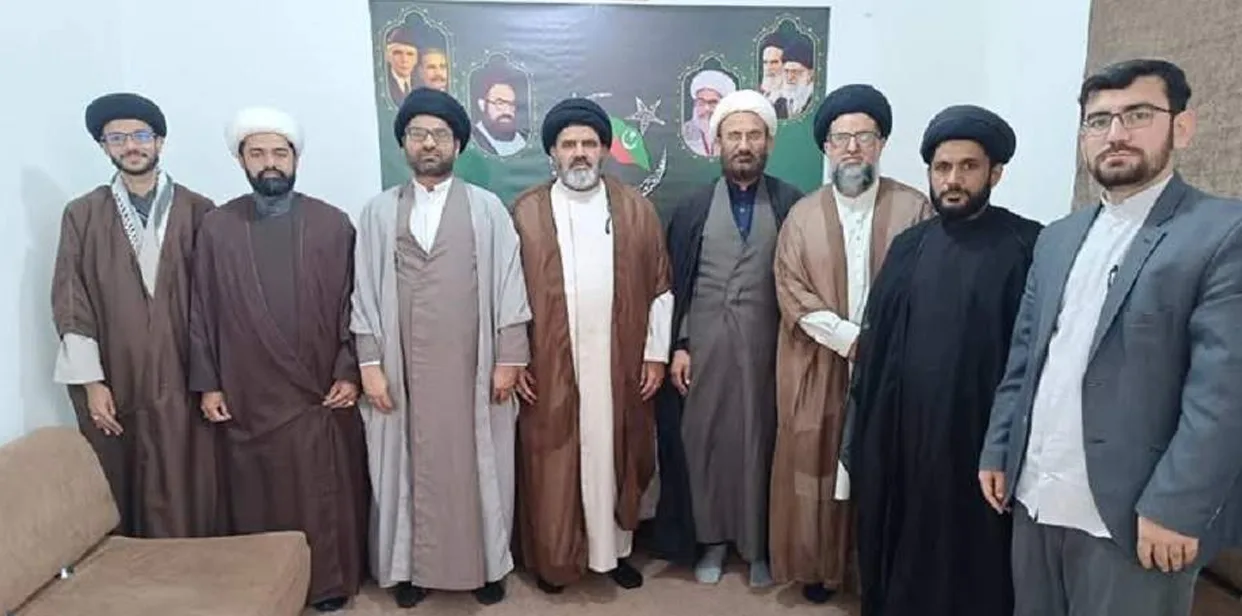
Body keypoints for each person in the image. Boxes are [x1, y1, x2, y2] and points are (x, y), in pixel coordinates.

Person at [979, 58, 1242, 616]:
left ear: (1182, 127)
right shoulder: (1058, 238)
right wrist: (999, 447)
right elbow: (1025, 359)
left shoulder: (1222, 233)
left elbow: (1224, 393)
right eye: (1099, 121)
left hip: (1135, 515)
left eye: (1137, 115)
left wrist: (1177, 506)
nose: (1116, 134)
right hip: (1036, 496)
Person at [843, 104, 1041, 616]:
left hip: (979, 445)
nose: (952, 180)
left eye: (968, 167)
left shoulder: (1027, 245)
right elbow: (877, 346)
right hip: (903, 441)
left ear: (995, 173)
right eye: (942, 168)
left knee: (973, 562)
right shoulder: (909, 246)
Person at [351, 87, 532, 608]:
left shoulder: (487, 209)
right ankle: (411, 569)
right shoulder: (378, 212)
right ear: (403, 144)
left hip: (472, 368)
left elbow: (510, 286)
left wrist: (509, 359)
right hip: (402, 369)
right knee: (406, 467)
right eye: (418, 134)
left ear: (458, 144)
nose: (429, 143)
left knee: (479, 465)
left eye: (439, 134)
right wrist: (370, 364)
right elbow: (363, 291)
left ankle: (485, 566)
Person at [188, 107, 369, 612]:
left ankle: (327, 585)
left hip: (319, 393)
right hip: (249, 394)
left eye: (279, 153)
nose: (270, 162)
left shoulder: (332, 224)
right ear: (241, 160)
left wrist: (349, 371)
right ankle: (265, 587)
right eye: (257, 153)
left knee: (321, 491)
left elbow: (357, 305)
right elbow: (200, 308)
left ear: (295, 158)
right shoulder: (217, 228)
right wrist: (209, 383)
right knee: (260, 494)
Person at [768, 84, 932, 603]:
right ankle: (822, 570)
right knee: (817, 466)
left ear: (881, 143)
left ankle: (873, 570)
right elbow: (791, 288)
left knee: (882, 463)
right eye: (842, 138)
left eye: (864, 136)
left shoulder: (914, 208)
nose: (853, 148)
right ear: (826, 147)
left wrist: (880, 345)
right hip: (819, 363)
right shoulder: (802, 215)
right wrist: (850, 339)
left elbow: (930, 286)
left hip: (891, 367)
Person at [511, 97, 673, 593]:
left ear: (604, 150)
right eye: (568, 144)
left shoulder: (635, 209)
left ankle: (614, 552)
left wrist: (655, 354)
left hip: (617, 362)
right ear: (552, 153)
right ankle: (556, 560)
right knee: (554, 461)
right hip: (550, 362)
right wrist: (513, 357)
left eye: (588, 143)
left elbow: (661, 288)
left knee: (613, 454)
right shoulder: (527, 212)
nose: (579, 153)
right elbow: (504, 294)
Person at [51, 92, 221, 538]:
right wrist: (91, 383)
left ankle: (200, 570)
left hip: (187, 377)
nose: (131, 146)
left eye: (141, 136)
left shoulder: (200, 210)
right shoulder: (83, 215)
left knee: (193, 480)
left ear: (159, 142)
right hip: (118, 377)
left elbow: (219, 302)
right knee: (123, 479)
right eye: (118, 138)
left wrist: (214, 380)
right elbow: (71, 302)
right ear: (103, 146)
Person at [654, 89, 804, 587]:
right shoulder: (693, 208)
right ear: (716, 142)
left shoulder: (791, 204)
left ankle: (758, 545)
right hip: (705, 347)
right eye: (734, 135)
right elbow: (677, 284)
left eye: (753, 135)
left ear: (769, 142)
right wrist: (680, 345)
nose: (743, 144)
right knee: (707, 442)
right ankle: (713, 540)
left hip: (767, 348)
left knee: (761, 441)